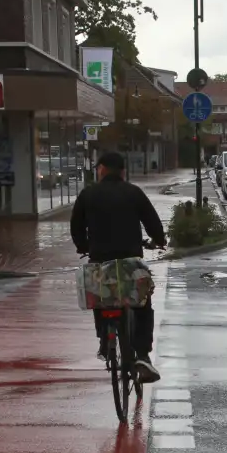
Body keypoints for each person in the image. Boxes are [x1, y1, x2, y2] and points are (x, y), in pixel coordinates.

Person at [70, 152, 167, 383]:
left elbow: (76, 227)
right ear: (123, 171)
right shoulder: (134, 193)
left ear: (102, 169)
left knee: (99, 296)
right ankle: (142, 355)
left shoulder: (88, 194)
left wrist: (84, 246)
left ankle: (105, 339)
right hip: (130, 262)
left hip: (100, 260)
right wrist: (159, 240)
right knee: (142, 303)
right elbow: (152, 222)